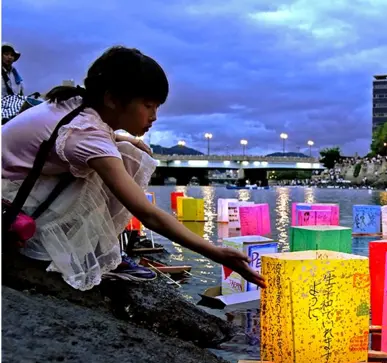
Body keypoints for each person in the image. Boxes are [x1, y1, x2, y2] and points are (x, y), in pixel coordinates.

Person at [2, 46, 265, 291]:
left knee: (127, 150)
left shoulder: (75, 104)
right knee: (127, 160)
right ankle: (93, 254)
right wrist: (215, 252)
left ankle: (96, 250)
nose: (154, 116)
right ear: (113, 99)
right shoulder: (87, 135)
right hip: (10, 200)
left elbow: (65, 136)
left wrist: (121, 137)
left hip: (16, 187)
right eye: (148, 106)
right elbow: (146, 213)